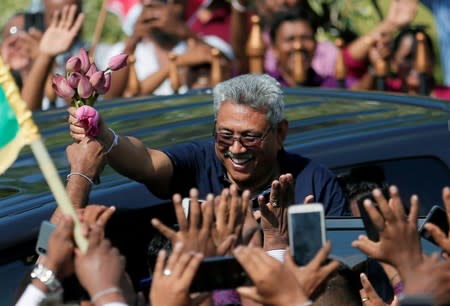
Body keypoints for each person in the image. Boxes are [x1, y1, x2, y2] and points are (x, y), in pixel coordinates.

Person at [68, 73, 347, 215]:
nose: (236, 149)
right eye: (225, 135)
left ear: (281, 133)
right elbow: (146, 164)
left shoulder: (316, 182)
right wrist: (102, 132)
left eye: (250, 137)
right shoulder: (200, 161)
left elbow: (349, 260)